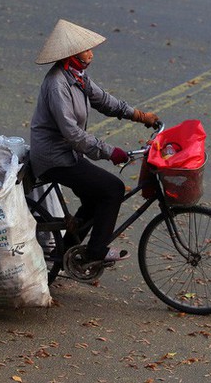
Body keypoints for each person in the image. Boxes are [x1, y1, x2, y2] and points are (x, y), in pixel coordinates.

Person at [29, 19, 159, 264]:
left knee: (94, 199)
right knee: (113, 189)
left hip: (69, 154)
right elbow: (73, 134)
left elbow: (105, 101)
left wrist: (141, 116)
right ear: (72, 55)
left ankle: (65, 254)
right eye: (86, 50)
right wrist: (110, 152)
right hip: (54, 158)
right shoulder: (58, 84)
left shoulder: (77, 76)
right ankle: (95, 253)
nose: (91, 53)